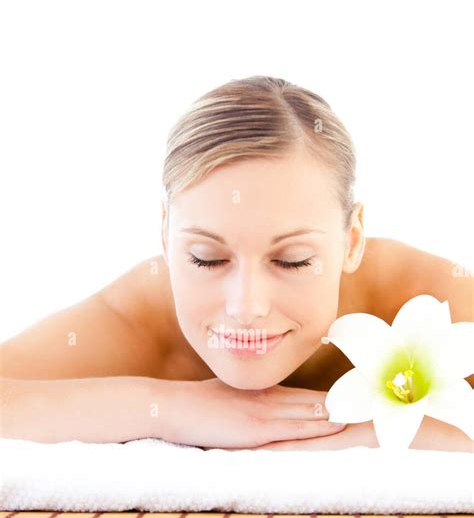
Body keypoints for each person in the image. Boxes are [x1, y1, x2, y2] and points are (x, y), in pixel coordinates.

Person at [1, 76, 472, 451]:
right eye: (207, 259)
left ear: (351, 241)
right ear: (166, 237)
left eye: (292, 261)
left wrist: (367, 435)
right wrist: (173, 407)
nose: (247, 306)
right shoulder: (144, 316)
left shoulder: (427, 297)